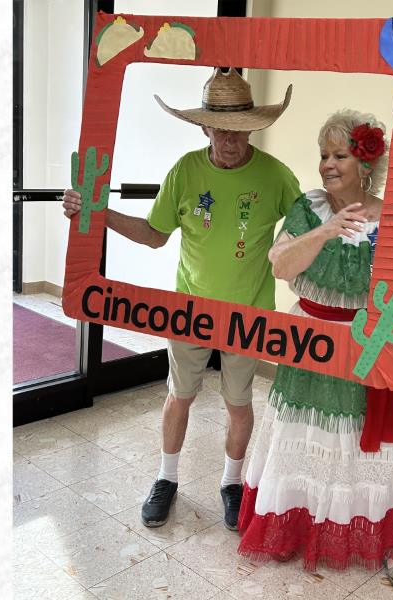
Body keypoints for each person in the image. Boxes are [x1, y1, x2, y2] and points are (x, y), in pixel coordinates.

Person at [62, 68, 303, 532]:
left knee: (238, 403)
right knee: (179, 395)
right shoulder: (186, 171)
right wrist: (98, 212)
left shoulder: (275, 176)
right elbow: (154, 235)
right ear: (205, 127)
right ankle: (166, 478)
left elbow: (306, 229)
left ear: (253, 128)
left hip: (249, 313)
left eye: (240, 130)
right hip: (190, 308)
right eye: (221, 130)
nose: (231, 141)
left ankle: (231, 483)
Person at [236, 109, 393, 592]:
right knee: (310, 441)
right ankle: (298, 530)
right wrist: (327, 230)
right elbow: (281, 265)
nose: (327, 164)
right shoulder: (308, 209)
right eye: (323, 154)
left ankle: (388, 544)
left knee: (372, 451)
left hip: (374, 346)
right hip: (313, 344)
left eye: (339, 155)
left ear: (365, 164)